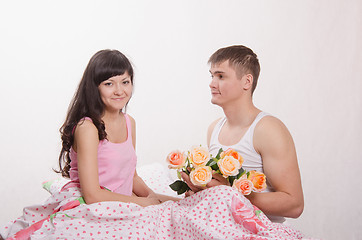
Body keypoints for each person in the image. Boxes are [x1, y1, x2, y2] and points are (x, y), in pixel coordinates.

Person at [1, 49, 178, 239]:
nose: (120, 90)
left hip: (123, 202)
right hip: (92, 204)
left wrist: (156, 199)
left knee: (175, 211)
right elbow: (92, 195)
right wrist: (144, 203)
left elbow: (131, 176)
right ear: (95, 88)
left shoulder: (129, 122)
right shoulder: (88, 127)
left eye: (125, 82)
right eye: (109, 84)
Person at [181, 45, 304, 223]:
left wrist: (230, 192)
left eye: (221, 76)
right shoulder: (214, 128)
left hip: (259, 231)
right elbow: (220, 197)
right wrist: (199, 191)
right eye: (212, 75)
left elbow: (294, 205)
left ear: (247, 82)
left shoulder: (268, 129)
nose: (212, 83)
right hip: (220, 228)